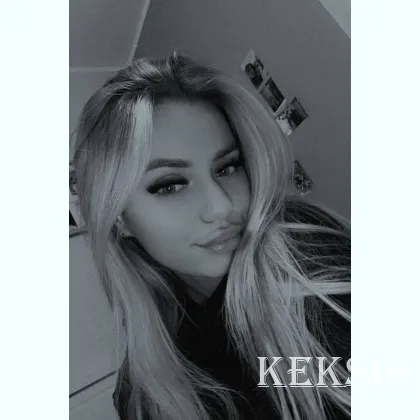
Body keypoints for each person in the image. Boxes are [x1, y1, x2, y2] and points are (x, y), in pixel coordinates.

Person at [72, 50, 351, 420]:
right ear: (118, 217)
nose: (221, 207)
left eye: (228, 167)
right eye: (170, 185)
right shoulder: (142, 395)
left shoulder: (308, 259)